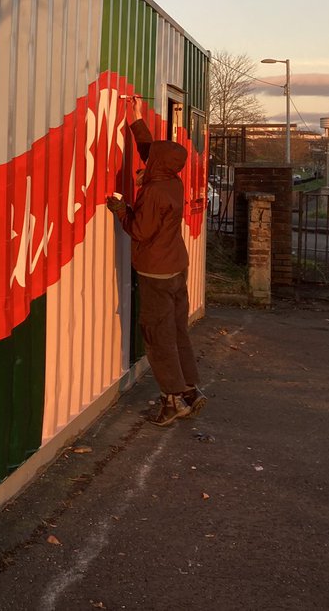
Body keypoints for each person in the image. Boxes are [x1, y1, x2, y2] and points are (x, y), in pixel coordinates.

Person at [106, 118, 206, 427]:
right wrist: (136, 122)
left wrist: (120, 209)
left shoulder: (152, 193)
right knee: (177, 331)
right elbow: (153, 156)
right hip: (176, 266)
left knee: (157, 334)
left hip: (156, 272)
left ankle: (172, 399)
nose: (146, 160)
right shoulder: (172, 182)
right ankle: (189, 389)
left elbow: (139, 230)